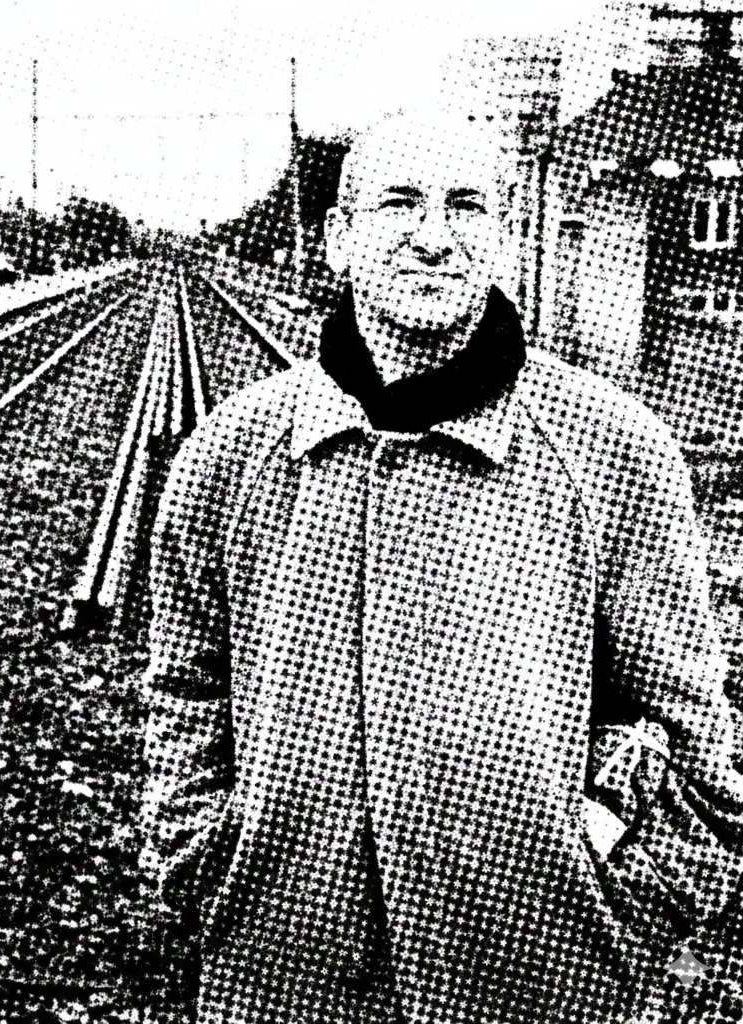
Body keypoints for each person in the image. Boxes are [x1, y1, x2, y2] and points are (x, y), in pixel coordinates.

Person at [139, 103, 743, 1024]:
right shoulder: (228, 455)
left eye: (467, 207)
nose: (434, 238)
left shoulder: (618, 452)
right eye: (398, 204)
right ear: (338, 239)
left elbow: (695, 739)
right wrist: (198, 860)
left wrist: (621, 903)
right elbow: (186, 689)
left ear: (502, 239)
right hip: (278, 962)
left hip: (539, 975)